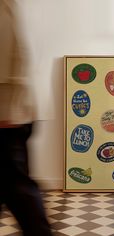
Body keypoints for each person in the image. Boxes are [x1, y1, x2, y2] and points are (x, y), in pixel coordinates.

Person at [0, 1, 53, 235]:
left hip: (8, 114)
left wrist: (10, 109)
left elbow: (24, 53)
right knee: (15, 186)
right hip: (12, 111)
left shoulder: (9, 6)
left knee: (18, 188)